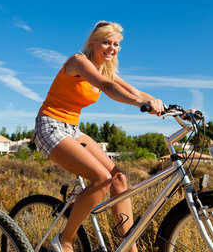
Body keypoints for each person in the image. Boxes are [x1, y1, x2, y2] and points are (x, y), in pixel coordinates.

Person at [33, 21, 164, 252]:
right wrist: (140, 104)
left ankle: (129, 249)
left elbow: (135, 91)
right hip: (49, 126)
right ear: (93, 43)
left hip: (72, 130)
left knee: (119, 179)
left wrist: (168, 106)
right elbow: (106, 86)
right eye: (106, 42)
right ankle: (64, 240)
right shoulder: (78, 62)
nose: (111, 48)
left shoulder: (106, 69)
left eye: (115, 44)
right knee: (102, 178)